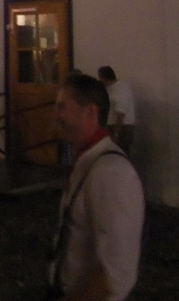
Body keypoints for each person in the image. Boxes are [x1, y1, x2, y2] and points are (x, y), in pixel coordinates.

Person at [47, 72, 144, 301]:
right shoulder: (88, 161)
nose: (55, 115)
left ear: (90, 112)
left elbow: (113, 270)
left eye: (62, 107)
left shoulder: (110, 172)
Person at [97, 66, 136, 155]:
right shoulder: (110, 88)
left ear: (104, 77)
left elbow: (121, 113)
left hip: (122, 127)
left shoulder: (121, 89)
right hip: (115, 125)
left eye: (100, 77)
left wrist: (116, 133)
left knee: (120, 153)